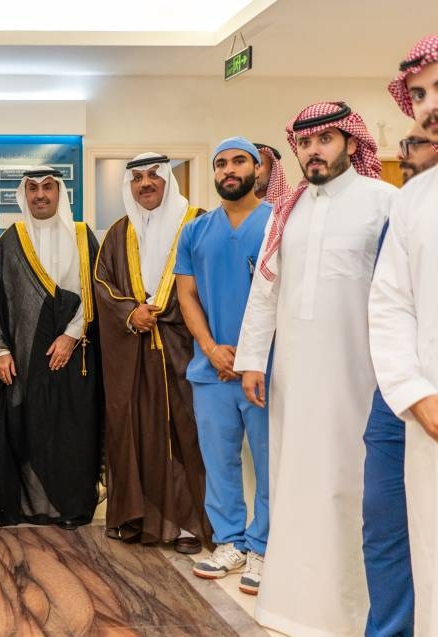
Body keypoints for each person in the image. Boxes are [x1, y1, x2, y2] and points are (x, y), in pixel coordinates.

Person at [234, 101, 397, 636]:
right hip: (294, 377)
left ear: (350, 142)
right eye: (304, 143)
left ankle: (352, 613)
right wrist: (252, 360)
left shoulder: (384, 201)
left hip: (362, 376)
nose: (313, 151)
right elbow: (265, 291)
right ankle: (289, 606)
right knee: (293, 481)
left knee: (351, 486)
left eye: (325, 140)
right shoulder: (289, 210)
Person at [93, 152, 210, 553]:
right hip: (136, 354)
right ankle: (140, 519)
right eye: (138, 177)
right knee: (137, 431)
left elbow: (208, 282)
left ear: (167, 179)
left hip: (185, 349)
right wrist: (131, 313)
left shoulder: (197, 222)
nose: (145, 183)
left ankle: (190, 524)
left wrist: (161, 312)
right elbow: (102, 284)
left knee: (187, 433)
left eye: (153, 176)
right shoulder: (118, 233)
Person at [174, 138, 272, 595]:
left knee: (270, 463)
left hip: (266, 370)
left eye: (238, 161)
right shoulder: (195, 231)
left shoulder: (278, 223)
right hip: (211, 371)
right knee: (219, 462)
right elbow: (186, 296)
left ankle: (264, 547)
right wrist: (212, 349)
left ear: (257, 169)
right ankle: (230, 541)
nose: (228, 170)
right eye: (220, 164)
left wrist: (251, 356)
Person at [370, 32, 438, 637]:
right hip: (428, 416)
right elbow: (390, 305)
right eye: (418, 94)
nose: (428, 105)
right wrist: (417, 394)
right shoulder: (414, 199)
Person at [0, 167, 101, 528]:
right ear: (25, 194)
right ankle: (28, 505)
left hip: (75, 354)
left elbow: (95, 291)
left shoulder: (82, 236)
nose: (40, 195)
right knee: (29, 426)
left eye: (48, 187)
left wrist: (71, 334)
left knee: (72, 431)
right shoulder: (10, 240)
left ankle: (72, 507)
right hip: (24, 356)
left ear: (59, 192)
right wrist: (0, 349)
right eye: (33, 188)